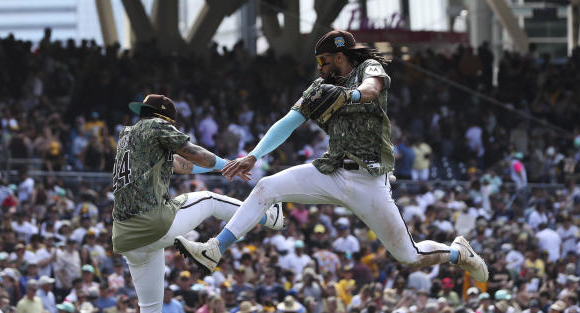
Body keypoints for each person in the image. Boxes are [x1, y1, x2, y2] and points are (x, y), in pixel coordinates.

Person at [175, 30, 488, 289]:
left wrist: (347, 96)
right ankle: (214, 249)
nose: (319, 67)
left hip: (368, 182)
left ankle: (457, 253)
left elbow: (370, 89)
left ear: (341, 57)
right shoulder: (319, 89)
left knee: (409, 256)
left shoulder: (367, 69)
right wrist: (255, 155)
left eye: (323, 60)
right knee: (266, 187)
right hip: (332, 172)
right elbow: (289, 121)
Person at [110, 95, 283, 313]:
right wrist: (227, 166)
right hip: (153, 222)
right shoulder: (156, 126)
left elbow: (182, 164)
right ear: (166, 120)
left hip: (125, 236)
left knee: (149, 310)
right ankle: (269, 215)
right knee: (210, 199)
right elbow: (195, 153)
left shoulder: (129, 136)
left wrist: (216, 168)